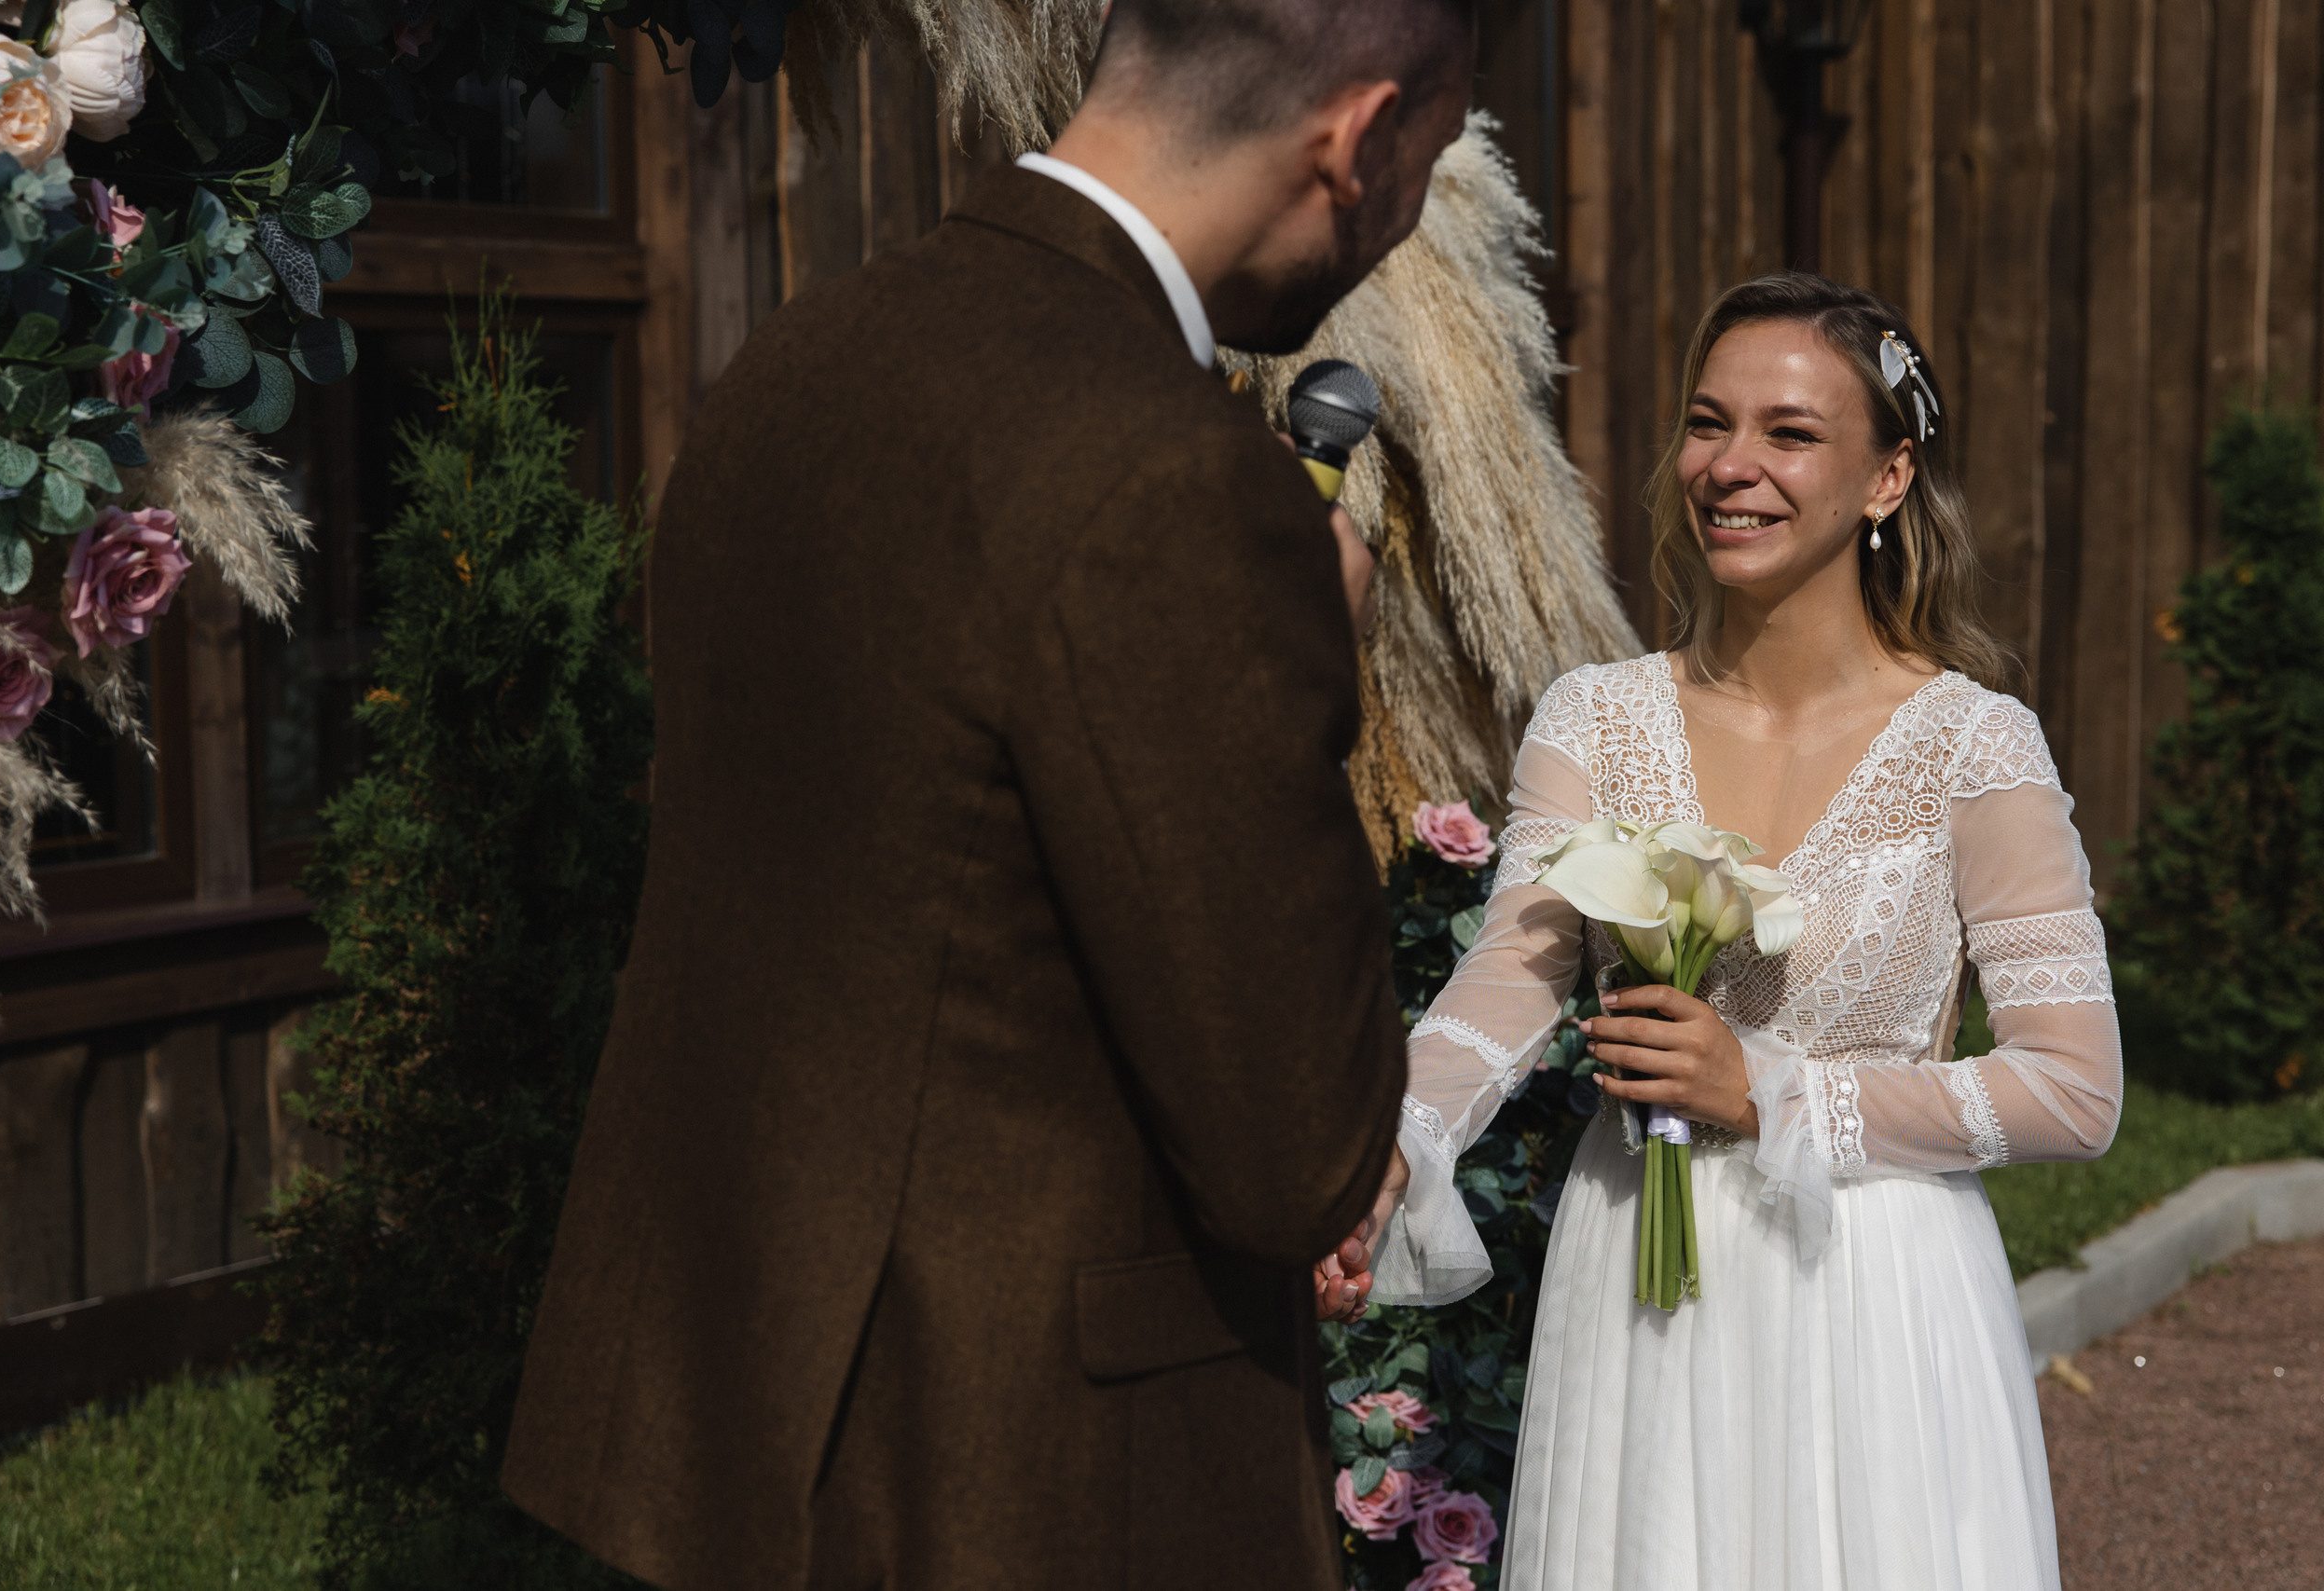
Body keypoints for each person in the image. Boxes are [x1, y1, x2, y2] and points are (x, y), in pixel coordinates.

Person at [500, 4, 1475, 1588]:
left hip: (740, 1414)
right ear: (1357, 141)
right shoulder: (1180, 478)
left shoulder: (793, 367)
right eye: (1423, 169)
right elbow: (1294, 1147)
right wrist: (1319, 662)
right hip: (1028, 1474)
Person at [1368, 273, 2123, 1589]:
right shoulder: (1595, 720)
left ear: (1887, 479)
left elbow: (2075, 1088)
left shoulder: (1971, 745)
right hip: (1641, 1290)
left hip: (1873, 1287)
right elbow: (1509, 979)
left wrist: (1773, 1094)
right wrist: (1400, 1140)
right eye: (1709, 424)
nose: (1731, 466)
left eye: (1789, 433)